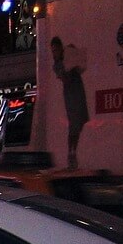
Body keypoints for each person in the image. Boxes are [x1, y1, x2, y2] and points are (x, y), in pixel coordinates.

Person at [51, 36, 90, 168]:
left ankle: (73, 151)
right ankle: (71, 152)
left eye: (56, 50)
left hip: (78, 90)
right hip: (71, 94)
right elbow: (65, 79)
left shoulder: (68, 54)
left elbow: (79, 64)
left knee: (80, 121)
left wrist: (73, 57)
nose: (54, 53)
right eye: (53, 51)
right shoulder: (57, 65)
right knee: (74, 123)